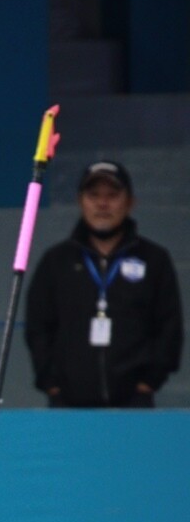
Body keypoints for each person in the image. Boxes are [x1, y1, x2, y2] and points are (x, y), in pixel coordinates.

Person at [24, 159, 183, 408]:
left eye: (112, 195)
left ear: (130, 202)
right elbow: (38, 327)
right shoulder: (56, 261)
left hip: (135, 405)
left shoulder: (154, 259)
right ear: (80, 201)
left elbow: (169, 326)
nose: (102, 203)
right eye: (94, 195)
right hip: (67, 405)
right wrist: (52, 383)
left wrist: (149, 382)